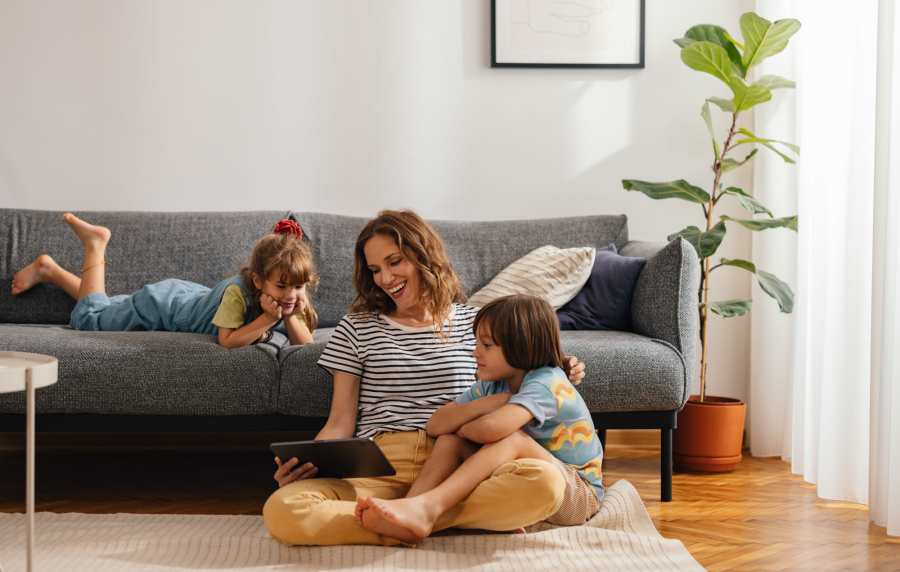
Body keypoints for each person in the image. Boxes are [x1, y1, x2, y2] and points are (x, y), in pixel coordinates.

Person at [263, 210, 585, 546]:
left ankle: (413, 516)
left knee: (546, 483)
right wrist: (311, 461)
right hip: (381, 464)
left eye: (395, 262)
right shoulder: (356, 327)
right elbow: (341, 421)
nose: (385, 278)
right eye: (375, 269)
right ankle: (437, 520)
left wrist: (561, 368)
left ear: (423, 255)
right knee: (283, 509)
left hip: (461, 462)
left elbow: (522, 378)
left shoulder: (476, 324)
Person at [354, 294, 604, 544]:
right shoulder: (493, 386)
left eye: (486, 345)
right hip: (525, 474)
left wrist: (470, 424)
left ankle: (431, 507)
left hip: (577, 494)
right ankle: (410, 507)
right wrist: (495, 401)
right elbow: (436, 425)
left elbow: (491, 430)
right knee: (449, 441)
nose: (475, 353)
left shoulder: (547, 382)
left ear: (522, 346)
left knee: (513, 440)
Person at [11, 213, 317, 348]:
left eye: (298, 286)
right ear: (258, 280)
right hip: (162, 306)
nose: (291, 293)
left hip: (185, 296)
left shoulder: (286, 295)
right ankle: (95, 245)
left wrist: (289, 315)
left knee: (106, 307)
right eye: (283, 286)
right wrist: (266, 319)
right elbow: (227, 341)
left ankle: (48, 270)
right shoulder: (238, 294)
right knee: (91, 319)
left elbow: (304, 345)